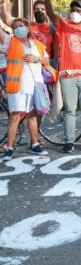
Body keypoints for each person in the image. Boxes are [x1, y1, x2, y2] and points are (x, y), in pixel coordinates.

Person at [43, 0, 81, 153]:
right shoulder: (64, 25)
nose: (75, 12)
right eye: (72, 10)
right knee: (69, 110)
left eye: (78, 10)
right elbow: (51, 13)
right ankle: (69, 141)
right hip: (67, 76)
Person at [0, 18, 50, 161]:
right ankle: (9, 148)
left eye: (21, 26)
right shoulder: (11, 42)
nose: (18, 29)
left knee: (33, 115)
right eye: (15, 27)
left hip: (35, 85)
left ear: (28, 29)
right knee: (15, 116)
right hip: (17, 86)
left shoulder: (37, 45)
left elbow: (46, 60)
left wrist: (37, 58)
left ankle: (35, 144)